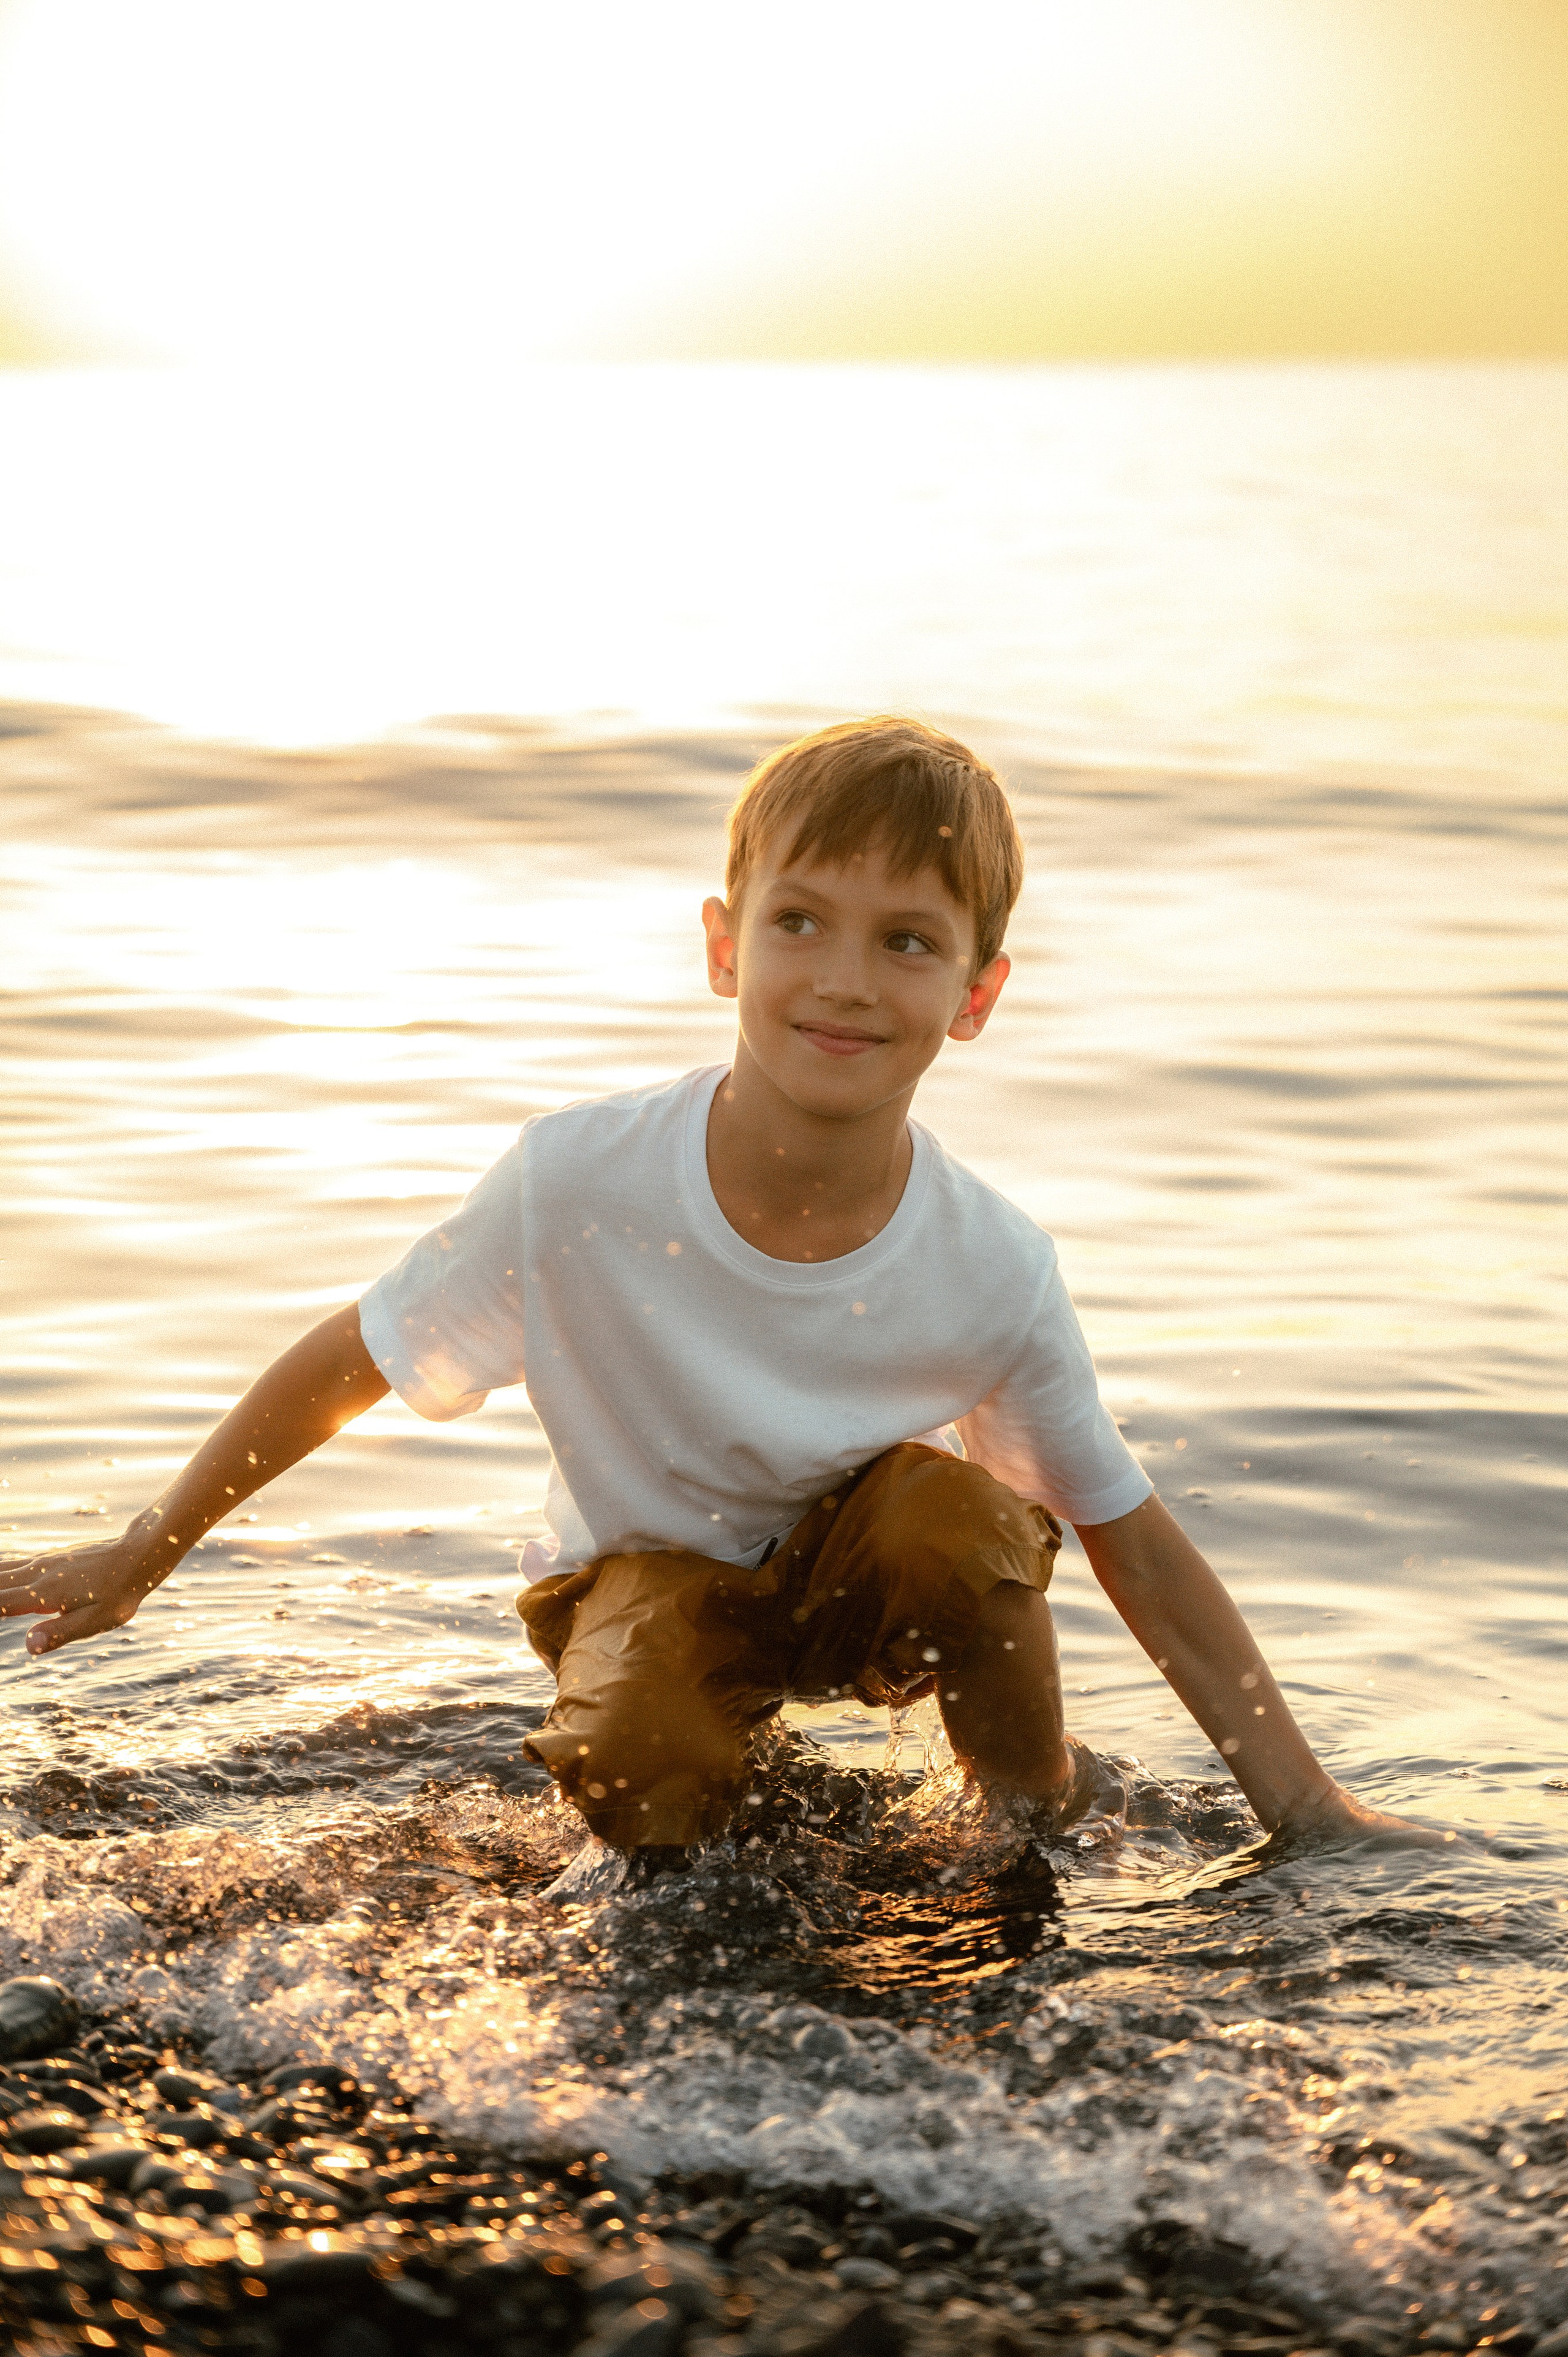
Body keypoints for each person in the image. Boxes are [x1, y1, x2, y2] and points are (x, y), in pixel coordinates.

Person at [0, 718, 1440, 1862]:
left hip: (858, 1574)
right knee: (650, 1780)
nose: (844, 981)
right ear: (721, 945)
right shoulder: (579, 1182)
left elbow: (1127, 1537)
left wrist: (1303, 1805)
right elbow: (359, 1353)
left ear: (975, 994)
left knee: (962, 1521)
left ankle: (1027, 1823)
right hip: (634, 1580)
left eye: (906, 940)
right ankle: (705, 1811)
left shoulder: (989, 1263)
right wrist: (146, 1547)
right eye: (799, 921)